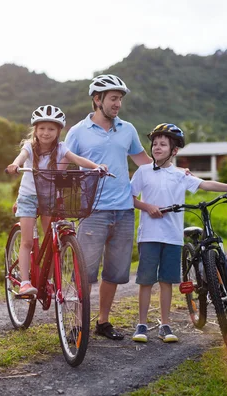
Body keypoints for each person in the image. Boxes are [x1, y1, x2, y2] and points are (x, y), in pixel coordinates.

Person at [130, 123, 227, 343]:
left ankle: (165, 325)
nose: (157, 148)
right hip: (149, 235)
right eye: (155, 144)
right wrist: (147, 207)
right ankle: (141, 324)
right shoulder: (143, 172)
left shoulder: (180, 175)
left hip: (171, 236)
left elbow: (206, 184)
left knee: (167, 281)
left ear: (174, 150)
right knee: (146, 281)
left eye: (163, 144)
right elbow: (130, 198)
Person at [65, 74, 153, 340]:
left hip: (124, 210)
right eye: (113, 99)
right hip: (92, 212)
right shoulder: (78, 131)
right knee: (84, 273)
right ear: (97, 99)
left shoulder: (127, 129)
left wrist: (172, 171)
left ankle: (103, 322)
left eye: (120, 99)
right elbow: (61, 163)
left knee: (114, 273)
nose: (118, 104)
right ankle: (77, 324)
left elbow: (144, 161)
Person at [7, 105, 107, 295]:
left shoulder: (61, 149)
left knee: (52, 241)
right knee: (27, 241)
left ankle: (50, 279)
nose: (46, 133)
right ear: (35, 130)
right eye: (42, 128)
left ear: (59, 131)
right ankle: (25, 282)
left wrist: (97, 167)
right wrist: (15, 165)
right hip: (28, 198)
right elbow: (21, 157)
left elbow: (78, 160)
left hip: (50, 198)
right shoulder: (29, 147)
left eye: (51, 129)